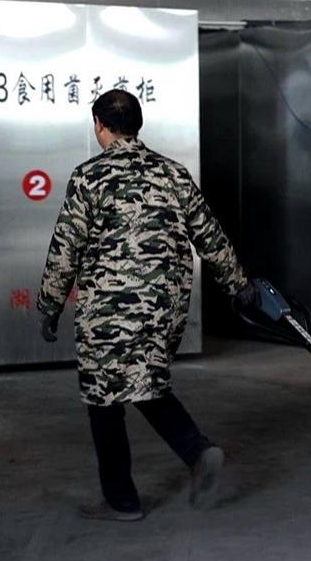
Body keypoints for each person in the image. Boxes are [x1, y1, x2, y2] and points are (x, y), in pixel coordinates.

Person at [38, 89, 260, 521]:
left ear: (100, 126)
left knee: (103, 395)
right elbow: (209, 235)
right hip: (164, 304)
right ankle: (197, 451)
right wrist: (238, 284)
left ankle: (122, 500)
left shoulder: (88, 177)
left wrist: (49, 305)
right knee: (146, 380)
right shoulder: (173, 174)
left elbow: (66, 247)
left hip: (107, 306)